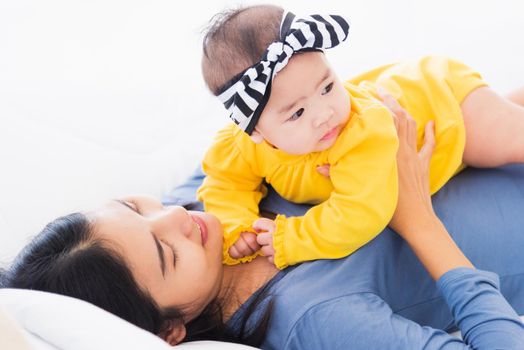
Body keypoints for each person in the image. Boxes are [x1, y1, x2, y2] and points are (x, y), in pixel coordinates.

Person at [2, 99, 524, 349]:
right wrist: (416, 221)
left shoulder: (198, 201)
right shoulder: (313, 320)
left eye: (135, 208)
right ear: (170, 331)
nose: (178, 217)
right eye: (167, 254)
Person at [197, 4, 524, 269]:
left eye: (327, 87)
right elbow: (224, 183)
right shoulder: (240, 147)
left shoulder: (362, 131)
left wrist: (292, 237)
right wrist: (235, 226)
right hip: (428, 104)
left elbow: (361, 212)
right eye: (297, 113)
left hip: (444, 108)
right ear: (255, 130)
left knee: (511, 138)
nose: (324, 113)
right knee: (505, 112)